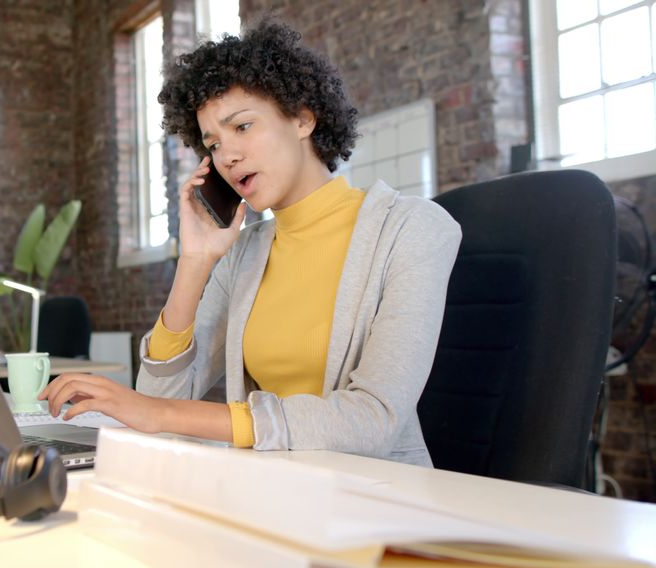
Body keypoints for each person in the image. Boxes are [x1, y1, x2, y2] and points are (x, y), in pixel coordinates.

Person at [38, 20, 461, 466]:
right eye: (213, 143)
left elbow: (372, 419)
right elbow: (160, 395)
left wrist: (167, 413)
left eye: (241, 127)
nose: (227, 156)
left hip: (379, 500)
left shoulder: (413, 230)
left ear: (302, 118)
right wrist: (195, 261)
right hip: (271, 490)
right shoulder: (246, 252)